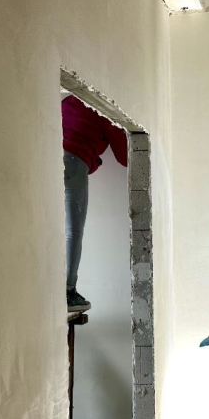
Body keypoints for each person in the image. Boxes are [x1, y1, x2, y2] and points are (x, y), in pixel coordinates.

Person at [62, 94, 128, 312]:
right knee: (73, 231)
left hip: (46, 155)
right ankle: (67, 292)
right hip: (73, 161)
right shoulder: (105, 105)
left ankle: (49, 287)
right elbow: (126, 156)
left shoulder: (70, 100)